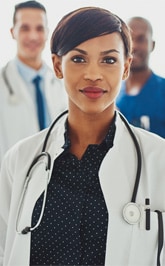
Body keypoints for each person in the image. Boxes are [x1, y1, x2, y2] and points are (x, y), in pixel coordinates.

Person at [0, 6, 165, 266]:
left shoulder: (159, 161)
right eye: (78, 59)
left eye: (109, 60)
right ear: (57, 65)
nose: (93, 74)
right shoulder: (18, 162)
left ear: (126, 67)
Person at [0, 0, 67, 165]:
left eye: (39, 28)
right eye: (25, 28)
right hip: (10, 182)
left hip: (55, 182)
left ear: (47, 33)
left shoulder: (61, 84)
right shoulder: (3, 83)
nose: (33, 36)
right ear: (12, 32)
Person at [116, 16, 165, 138]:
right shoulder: (110, 94)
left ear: (152, 45)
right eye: (129, 40)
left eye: (141, 39)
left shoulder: (162, 90)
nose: (134, 46)